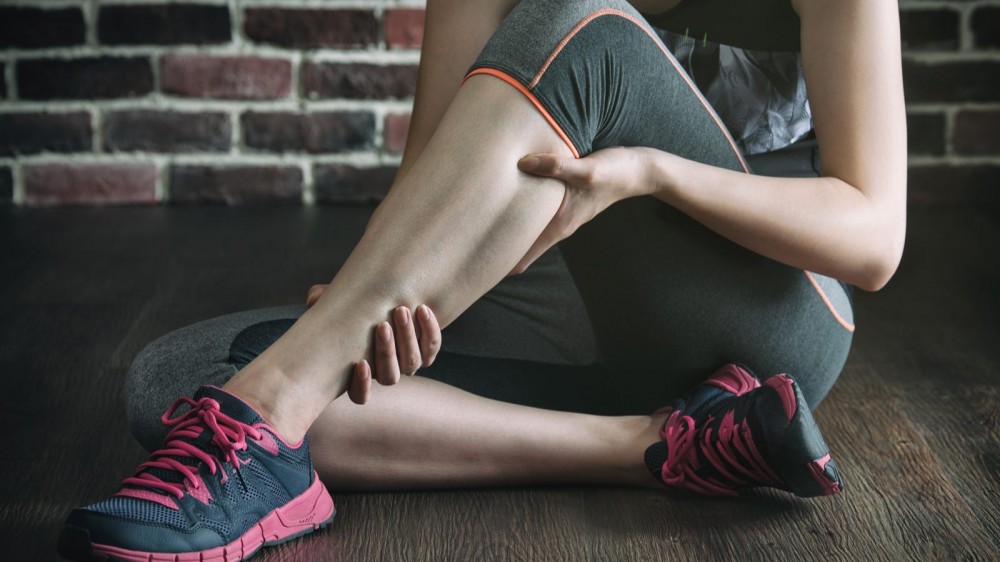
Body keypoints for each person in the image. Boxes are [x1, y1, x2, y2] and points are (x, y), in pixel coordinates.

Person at [57, 0, 906, 559]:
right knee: (174, 379)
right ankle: (665, 443)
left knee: (589, 29)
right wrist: (363, 297)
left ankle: (268, 425)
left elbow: (873, 237)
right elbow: (433, 164)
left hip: (760, 314)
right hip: (558, 293)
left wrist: (653, 172)